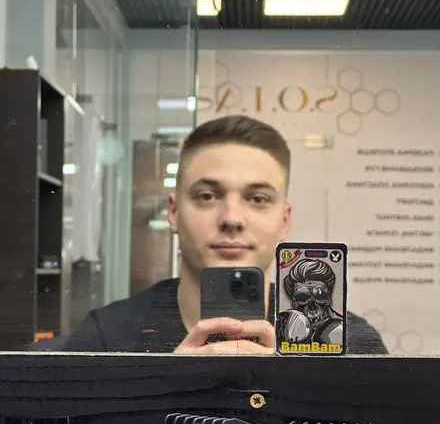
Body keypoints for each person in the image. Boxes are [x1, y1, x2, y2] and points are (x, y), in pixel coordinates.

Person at [62, 114, 387, 355]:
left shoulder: (350, 343)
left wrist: (293, 384)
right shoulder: (105, 338)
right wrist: (167, 384)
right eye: (207, 196)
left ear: (284, 221)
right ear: (174, 212)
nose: (232, 219)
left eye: (257, 199)